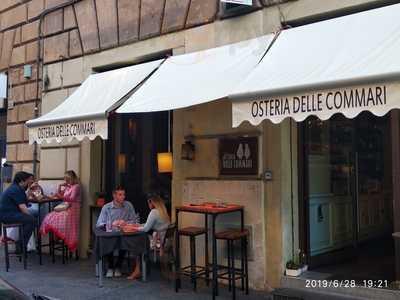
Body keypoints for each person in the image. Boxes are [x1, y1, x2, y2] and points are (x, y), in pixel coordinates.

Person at [96, 186, 140, 278]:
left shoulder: (129, 205)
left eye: (124, 194)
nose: (123, 197)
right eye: (120, 195)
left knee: (125, 241)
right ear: (114, 196)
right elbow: (99, 224)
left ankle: (118, 266)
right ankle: (110, 267)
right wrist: (112, 224)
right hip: (111, 234)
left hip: (124, 234)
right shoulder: (106, 207)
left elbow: (135, 221)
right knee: (108, 241)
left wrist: (125, 223)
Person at [127, 195, 170, 280]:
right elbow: (149, 225)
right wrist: (137, 225)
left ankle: (138, 270)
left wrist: (133, 228)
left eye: (148, 203)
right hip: (165, 241)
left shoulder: (154, 212)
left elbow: (146, 229)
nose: (148, 206)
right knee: (140, 240)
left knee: (138, 242)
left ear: (152, 203)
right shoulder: (162, 211)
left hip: (158, 242)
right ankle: (140, 268)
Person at [40, 170, 81, 252]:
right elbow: (59, 194)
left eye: (68, 179)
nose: (67, 181)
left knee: (58, 219)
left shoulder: (76, 186)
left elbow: (72, 199)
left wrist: (61, 197)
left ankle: (61, 236)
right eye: (65, 179)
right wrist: (60, 186)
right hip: (66, 207)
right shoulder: (68, 187)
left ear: (73, 178)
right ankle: (58, 237)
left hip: (73, 208)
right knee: (50, 216)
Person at [0, 171, 36, 251]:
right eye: (27, 181)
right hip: (7, 215)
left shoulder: (15, 187)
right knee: (32, 220)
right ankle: (21, 245)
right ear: (22, 181)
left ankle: (24, 243)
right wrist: (31, 217)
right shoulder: (16, 189)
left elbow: (22, 201)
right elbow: (23, 208)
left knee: (32, 217)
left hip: (9, 213)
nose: (27, 183)